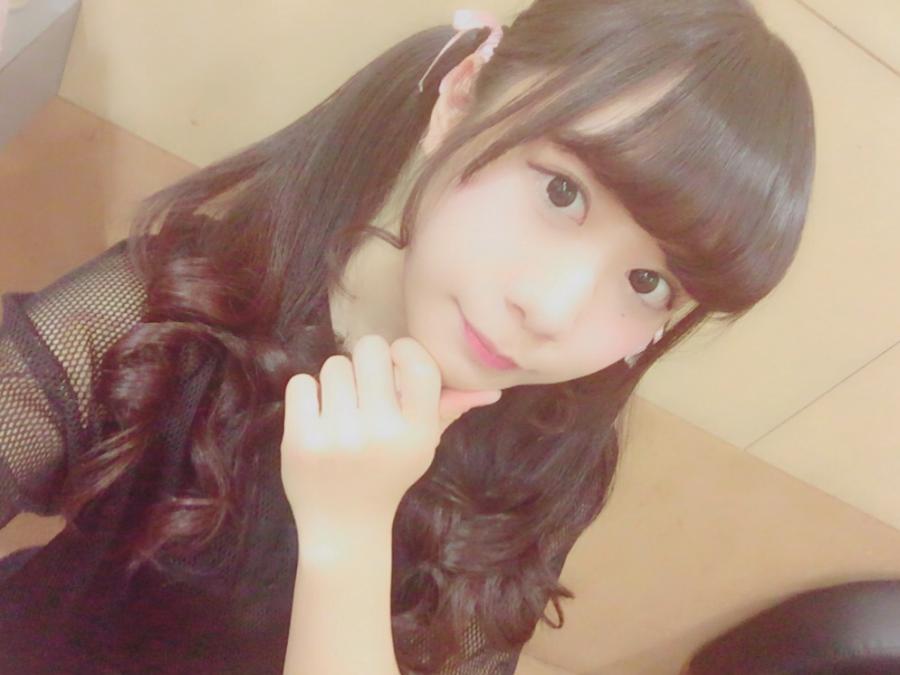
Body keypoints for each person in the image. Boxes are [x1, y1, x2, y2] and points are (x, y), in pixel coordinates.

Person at [0, 0, 815, 673]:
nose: (552, 309)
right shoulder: (190, 305)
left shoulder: (549, 449)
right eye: (562, 191)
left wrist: (349, 534)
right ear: (460, 97)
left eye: (647, 283)